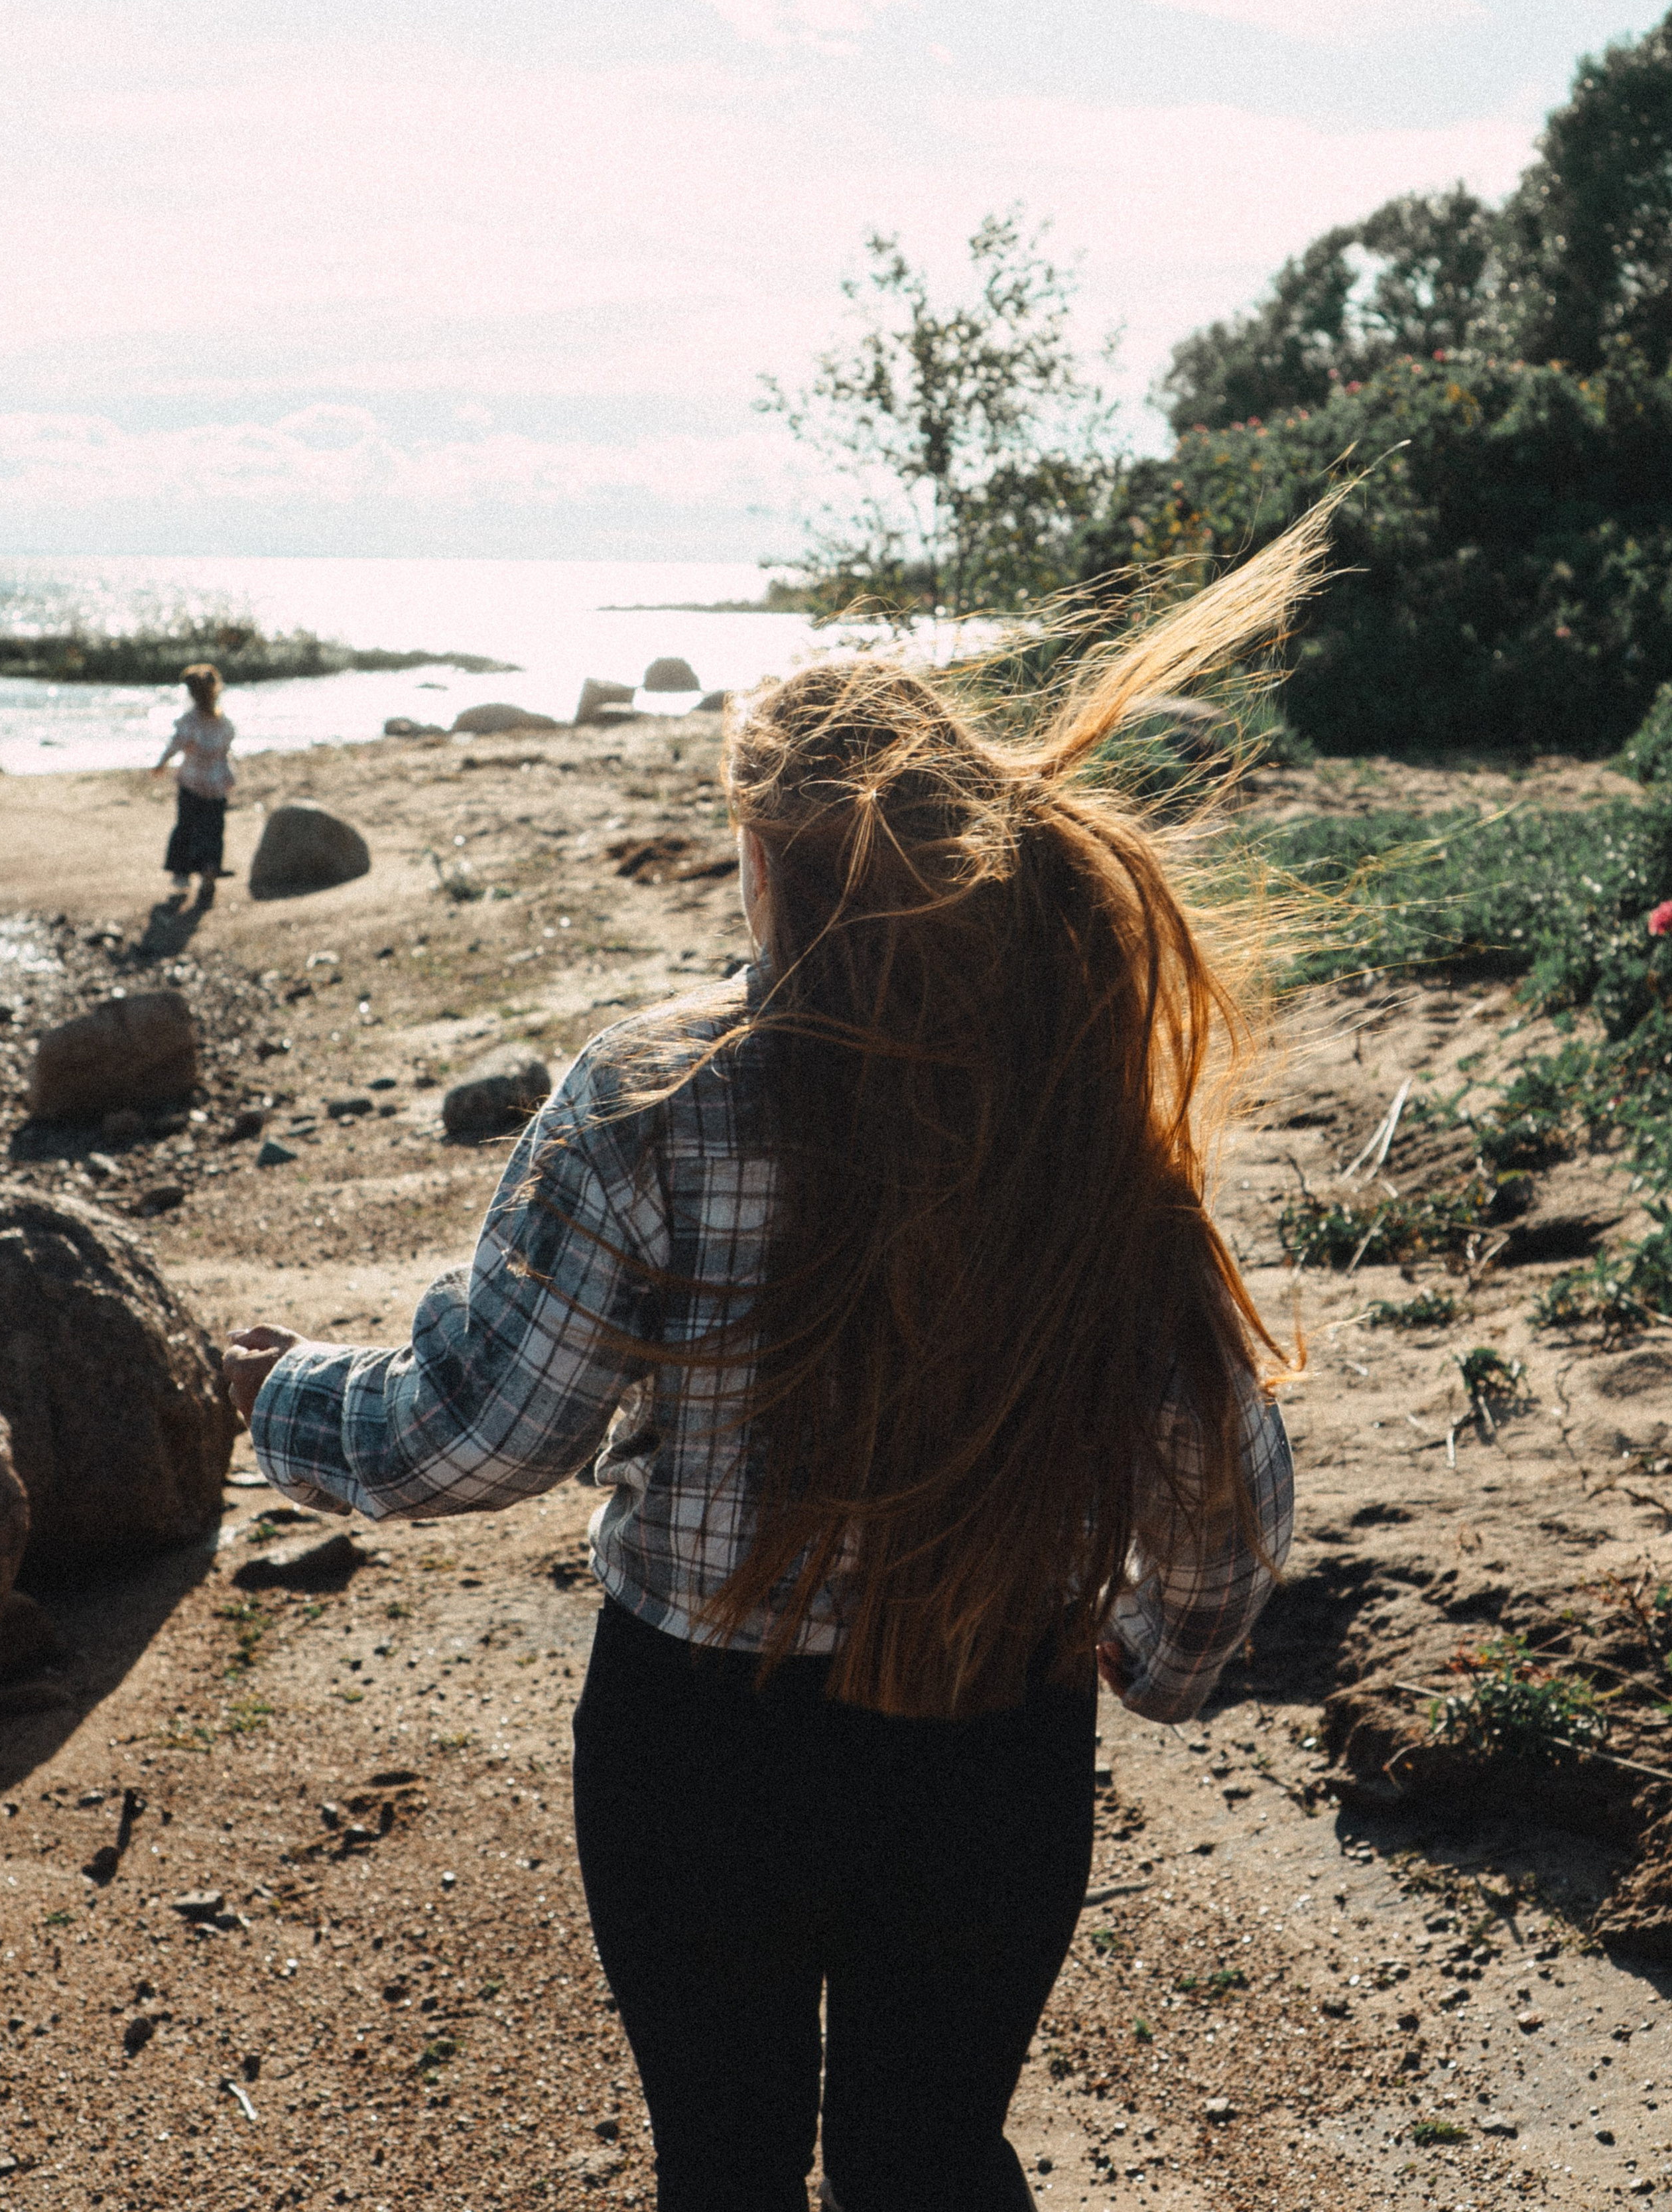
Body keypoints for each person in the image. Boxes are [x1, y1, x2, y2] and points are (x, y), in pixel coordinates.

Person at [223, 526, 1313, 2212]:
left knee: (721, 2167)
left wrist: (274, 1393)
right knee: (927, 2164)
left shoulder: (648, 1097)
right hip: (984, 1732)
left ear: (761, 858)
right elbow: (1223, 1485)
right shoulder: (1069, 1105)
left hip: (694, 1748)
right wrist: (1155, 1660)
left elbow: (471, 1435)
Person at [153, 661, 235, 907]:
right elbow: (226, 749)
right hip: (218, 783)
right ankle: (210, 868)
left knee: (186, 827)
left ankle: (181, 873)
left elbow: (176, 745)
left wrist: (161, 763)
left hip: (192, 782)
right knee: (213, 830)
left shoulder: (189, 722)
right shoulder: (223, 724)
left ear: (191, 694)